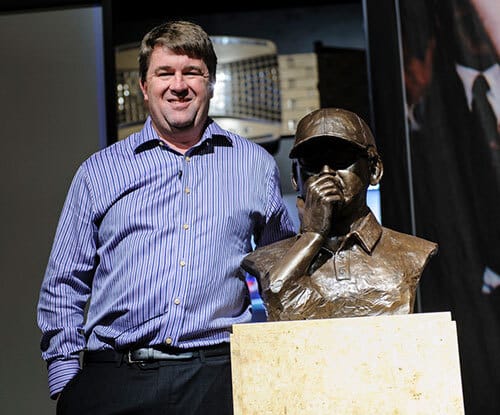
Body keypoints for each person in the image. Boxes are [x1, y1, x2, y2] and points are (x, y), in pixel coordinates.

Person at [36, 20, 295, 415]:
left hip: (216, 379)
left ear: (211, 83)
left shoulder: (254, 165)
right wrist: (69, 381)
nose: (178, 85)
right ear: (144, 86)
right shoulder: (99, 172)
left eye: (192, 72)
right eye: (164, 73)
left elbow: (283, 274)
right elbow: (63, 283)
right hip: (116, 380)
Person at [241, 108, 438, 321]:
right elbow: (275, 298)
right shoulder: (267, 261)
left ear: (374, 170)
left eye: (341, 159)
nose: (326, 173)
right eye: (312, 163)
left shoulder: (412, 253)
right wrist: (312, 236)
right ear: (296, 179)